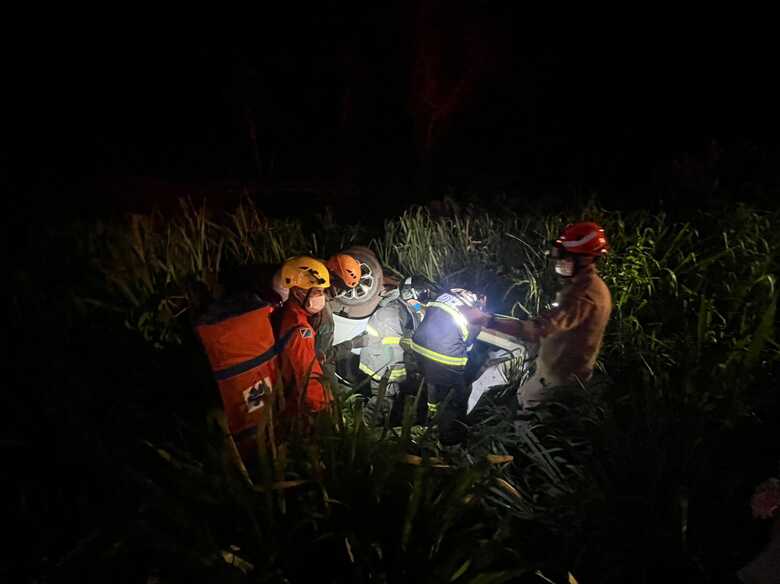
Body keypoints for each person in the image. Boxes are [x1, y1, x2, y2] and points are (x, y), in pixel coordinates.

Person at [489, 222, 612, 411]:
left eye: (566, 257)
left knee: (525, 415)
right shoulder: (590, 286)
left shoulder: (582, 296)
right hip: (561, 375)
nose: (560, 263)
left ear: (586, 258)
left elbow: (537, 330)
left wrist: (487, 321)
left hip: (555, 384)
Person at [409, 287, 489, 444]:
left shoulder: (443, 297)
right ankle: (448, 436)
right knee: (456, 395)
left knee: (432, 380)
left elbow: (424, 312)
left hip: (418, 349)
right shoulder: (472, 311)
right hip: (446, 358)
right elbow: (469, 342)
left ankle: (429, 418)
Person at [360, 275, 439, 425]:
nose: (426, 300)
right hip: (383, 364)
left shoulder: (407, 308)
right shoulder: (391, 315)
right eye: (423, 295)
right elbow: (395, 347)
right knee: (383, 398)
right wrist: (405, 371)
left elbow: (416, 320)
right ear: (408, 294)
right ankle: (368, 427)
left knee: (392, 397)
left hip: (388, 360)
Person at [276, 256, 334, 416]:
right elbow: (309, 376)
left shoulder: (286, 312)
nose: (321, 297)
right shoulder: (300, 330)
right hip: (294, 406)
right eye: (317, 292)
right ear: (298, 292)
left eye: (322, 291)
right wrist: (324, 409)